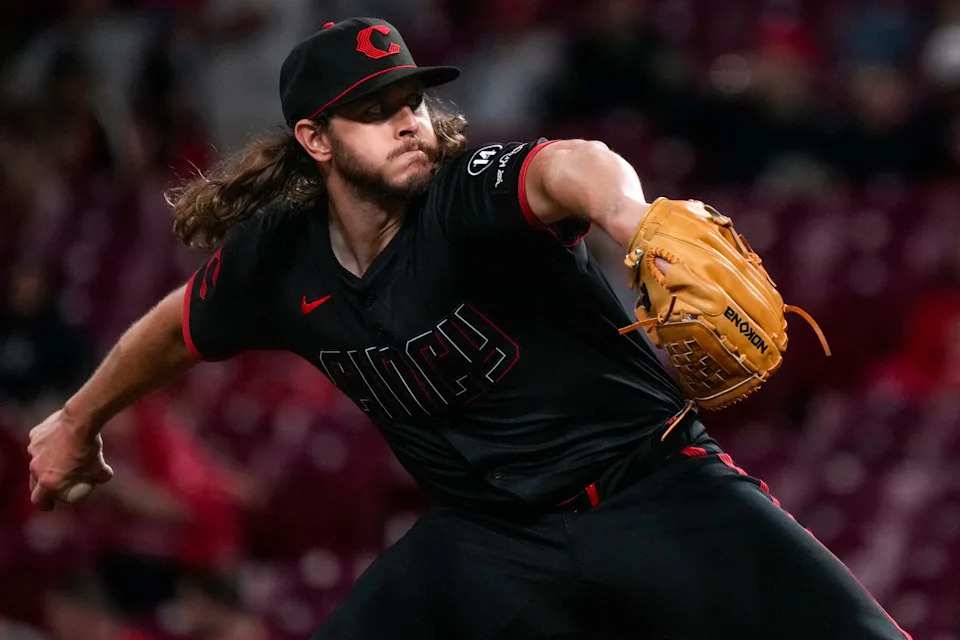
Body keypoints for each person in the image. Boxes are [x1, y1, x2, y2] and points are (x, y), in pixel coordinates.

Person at [27, 17, 912, 639]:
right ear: (316, 139)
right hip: (491, 537)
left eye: (411, 99)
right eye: (375, 108)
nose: (408, 121)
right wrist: (79, 419)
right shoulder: (280, 259)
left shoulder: (466, 191)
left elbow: (572, 166)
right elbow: (177, 326)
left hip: (654, 490)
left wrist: (635, 219)